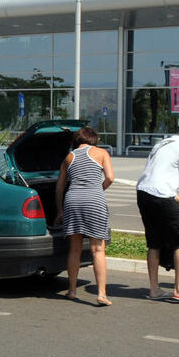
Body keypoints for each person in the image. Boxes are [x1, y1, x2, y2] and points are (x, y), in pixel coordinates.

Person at [136, 120, 179, 303]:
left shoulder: (162, 143)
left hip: (143, 193)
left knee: (154, 242)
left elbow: (158, 176)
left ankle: (154, 289)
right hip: (161, 196)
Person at [55, 126, 115, 305]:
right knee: (98, 249)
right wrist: (97, 190)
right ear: (94, 140)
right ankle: (102, 294)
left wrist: (60, 210)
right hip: (94, 201)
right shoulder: (102, 153)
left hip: (72, 200)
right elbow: (110, 178)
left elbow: (59, 186)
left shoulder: (69, 157)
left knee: (75, 248)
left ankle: (72, 290)